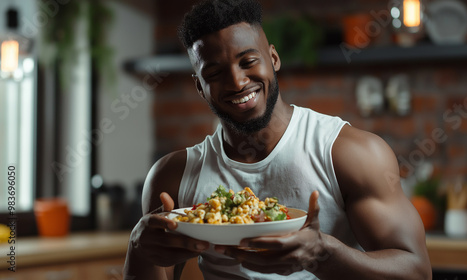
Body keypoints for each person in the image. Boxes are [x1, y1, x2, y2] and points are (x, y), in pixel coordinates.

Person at [123, 0, 432, 279]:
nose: (237, 81)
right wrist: (138, 246)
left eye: (248, 61)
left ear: (273, 58)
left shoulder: (351, 152)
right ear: (199, 86)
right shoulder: (172, 176)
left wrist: (323, 255)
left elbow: (416, 272)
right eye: (215, 72)